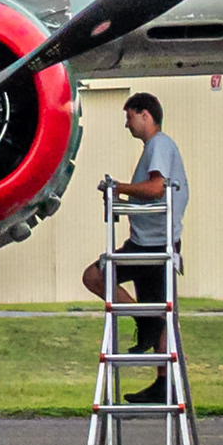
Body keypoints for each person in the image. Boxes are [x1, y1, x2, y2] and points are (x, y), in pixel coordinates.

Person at [79, 92, 186, 404]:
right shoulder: (156, 147)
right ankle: (162, 382)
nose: (127, 125)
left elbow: (156, 189)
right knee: (160, 311)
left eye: (129, 117)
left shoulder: (159, 145)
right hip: (148, 242)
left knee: (93, 276)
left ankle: (144, 320)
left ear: (145, 115)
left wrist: (117, 188)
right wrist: (123, 198)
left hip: (152, 247)